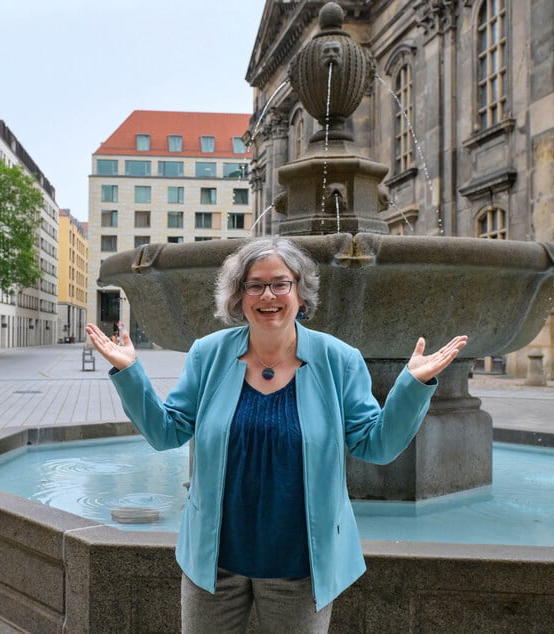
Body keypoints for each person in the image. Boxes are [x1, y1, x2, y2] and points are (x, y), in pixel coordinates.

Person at [85, 236, 467, 633]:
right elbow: (167, 432)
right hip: (214, 563)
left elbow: (377, 444)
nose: (268, 295)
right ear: (239, 296)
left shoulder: (339, 360)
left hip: (299, 568)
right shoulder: (208, 354)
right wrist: (130, 373)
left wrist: (411, 387)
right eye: (255, 284)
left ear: (300, 293)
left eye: (280, 283)